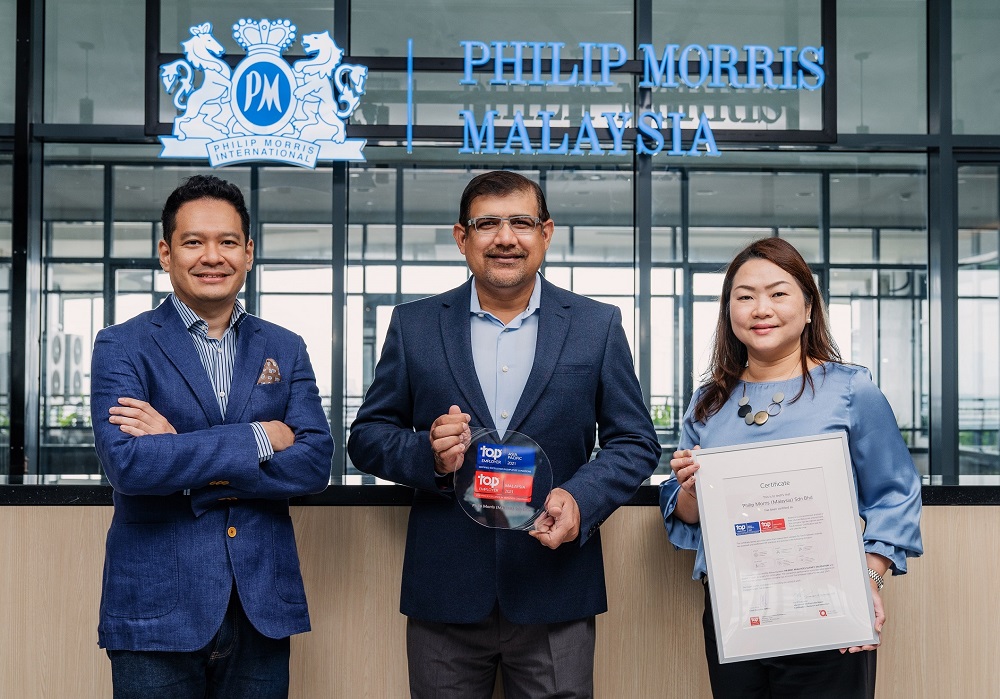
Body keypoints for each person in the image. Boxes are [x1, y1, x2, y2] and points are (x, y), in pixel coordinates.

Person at [348, 170, 661, 698]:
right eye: (487, 223)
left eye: (521, 222)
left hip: (553, 586)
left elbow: (635, 442)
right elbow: (367, 436)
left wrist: (579, 498)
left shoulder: (595, 325)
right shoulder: (415, 325)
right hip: (446, 590)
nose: (505, 238)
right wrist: (429, 454)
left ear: (546, 232)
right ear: (461, 237)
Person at [90, 174, 334, 698]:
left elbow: (315, 464)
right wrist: (259, 437)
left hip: (261, 604)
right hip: (156, 607)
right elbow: (129, 466)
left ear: (248, 253)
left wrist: (180, 448)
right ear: (166, 252)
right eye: (193, 242)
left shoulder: (285, 347)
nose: (212, 256)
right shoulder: (122, 346)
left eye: (227, 242)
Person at [660, 237, 923, 698]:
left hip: (830, 608)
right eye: (744, 296)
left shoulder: (850, 389)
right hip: (736, 612)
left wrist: (870, 578)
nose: (761, 308)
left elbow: (895, 493)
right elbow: (686, 512)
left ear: (807, 308)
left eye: (778, 293)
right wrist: (688, 490)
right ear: (728, 313)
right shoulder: (709, 402)